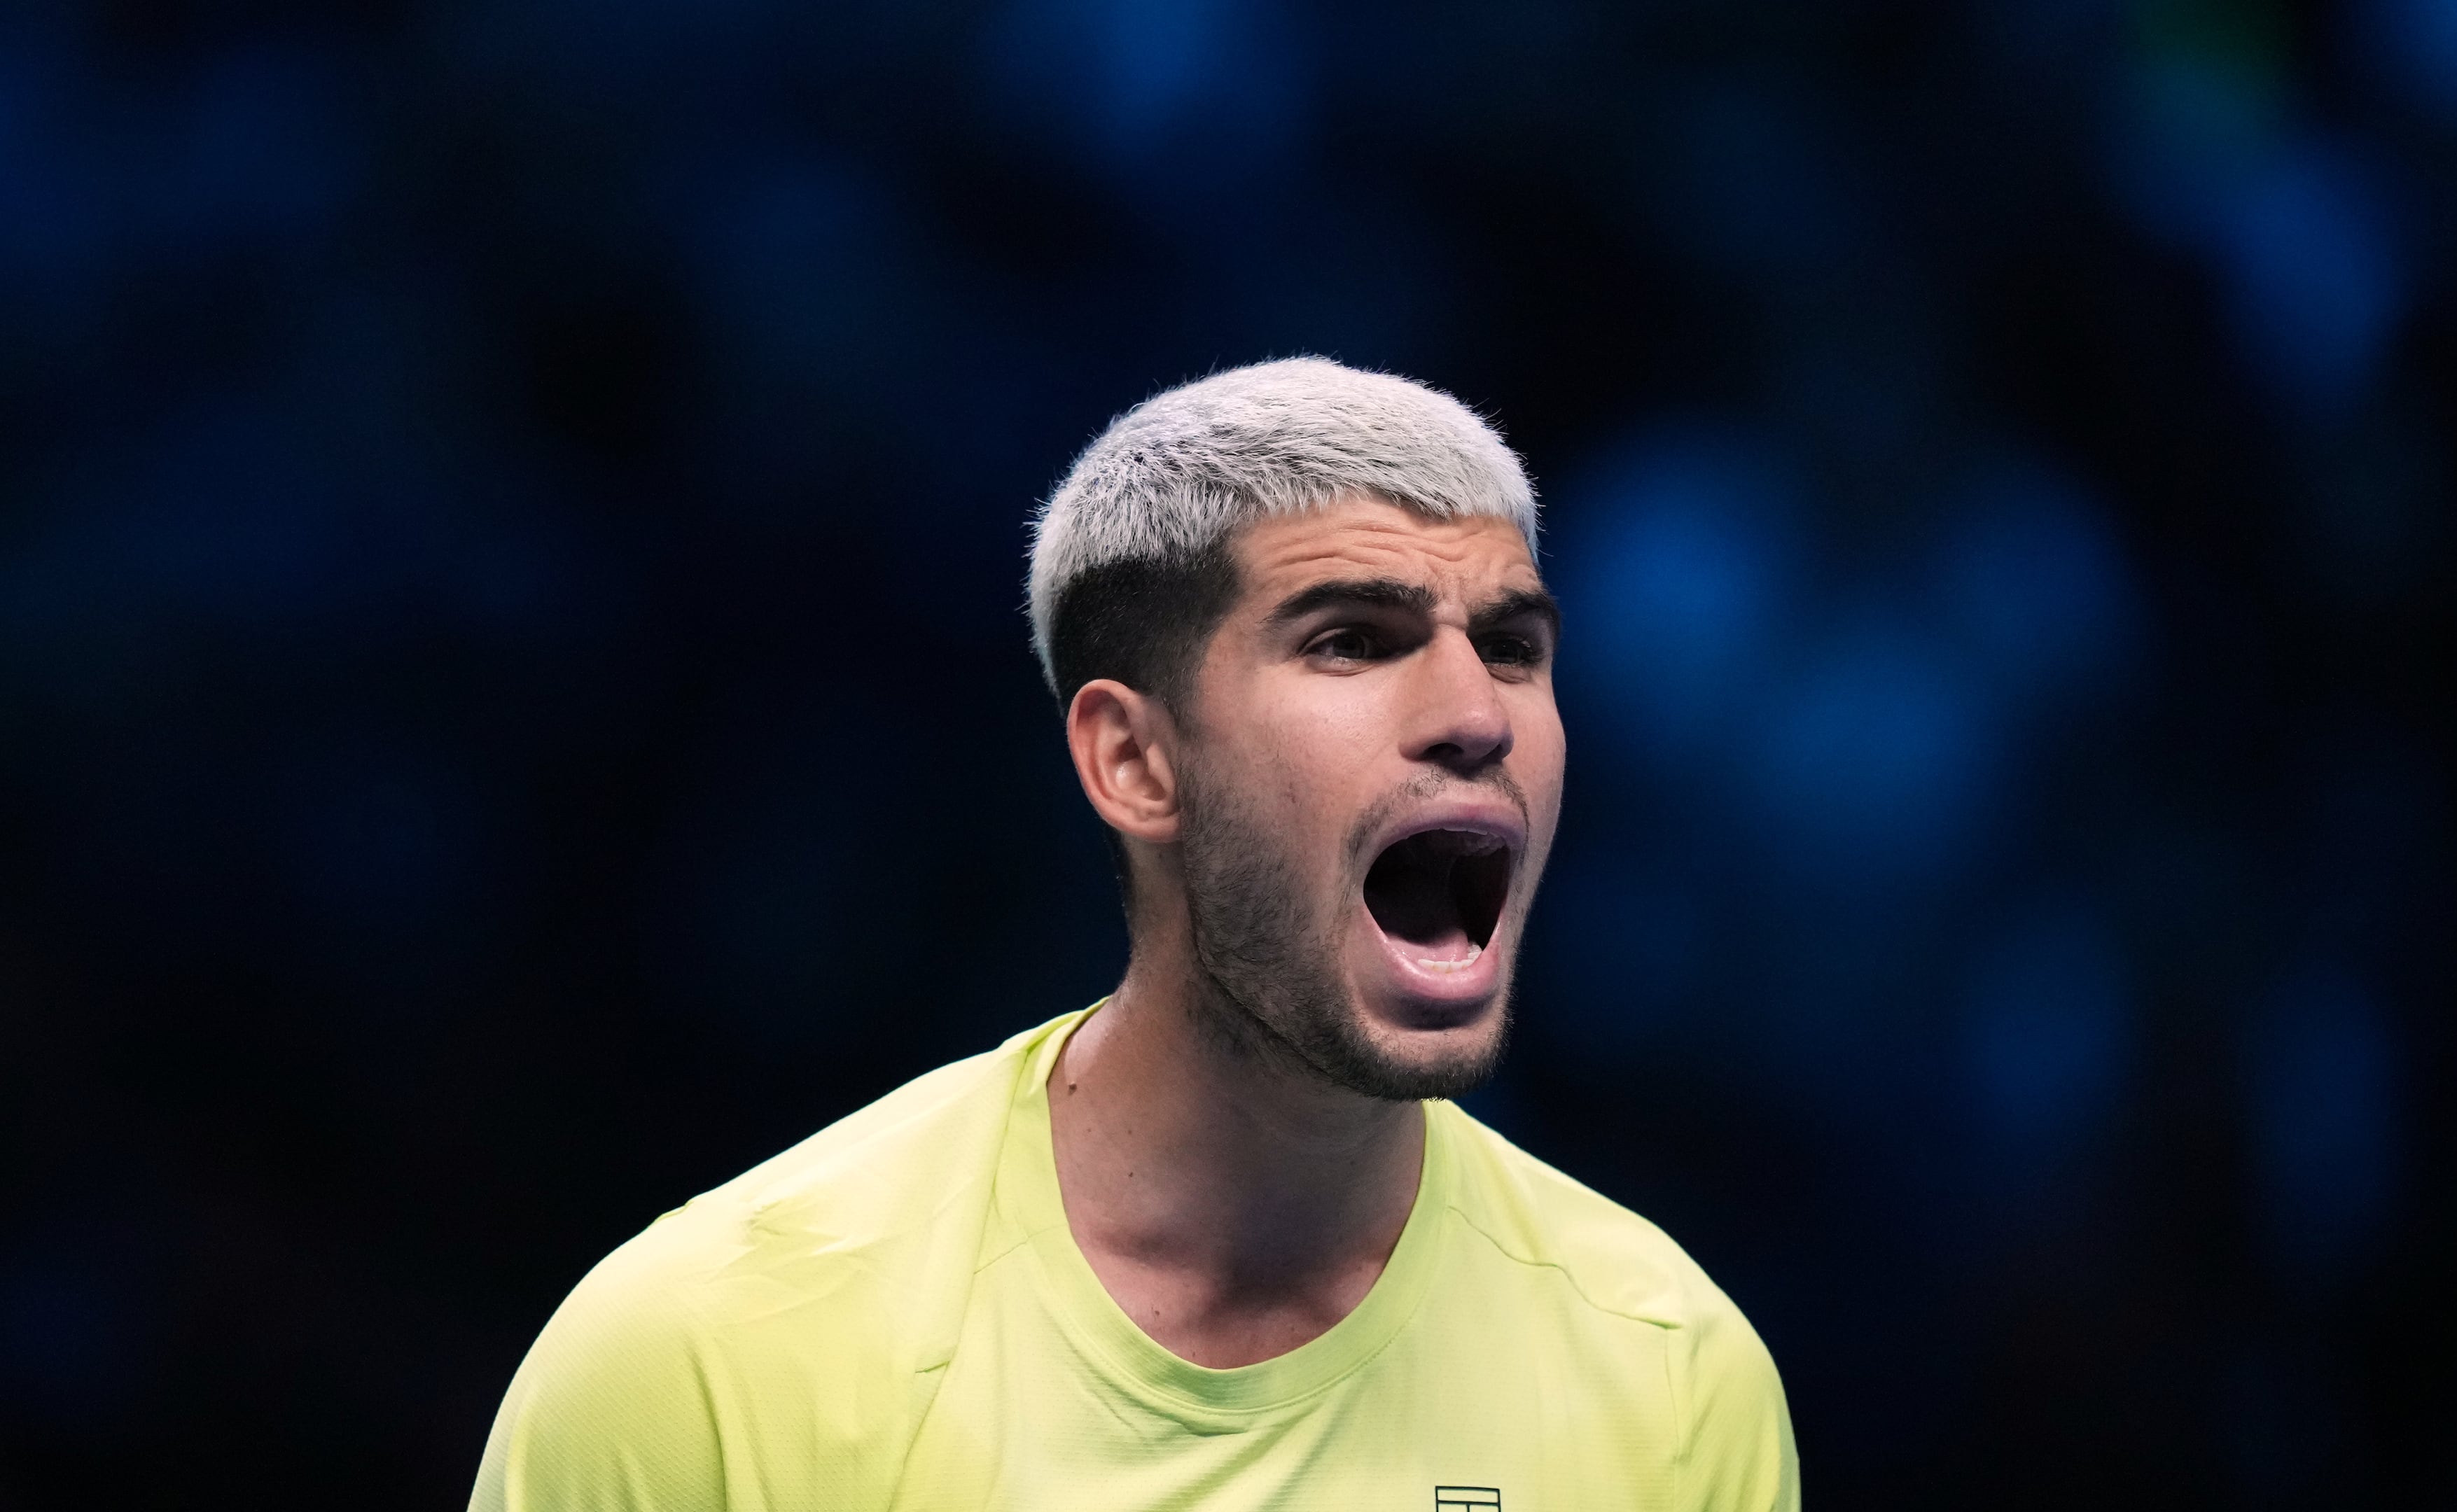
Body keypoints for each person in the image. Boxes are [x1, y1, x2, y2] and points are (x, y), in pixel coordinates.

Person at [469, 358, 1799, 1510]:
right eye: (1351, 640)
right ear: (1134, 762)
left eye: (1513, 647)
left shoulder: (1668, 1374)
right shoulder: (700, 1361)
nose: (1477, 714)